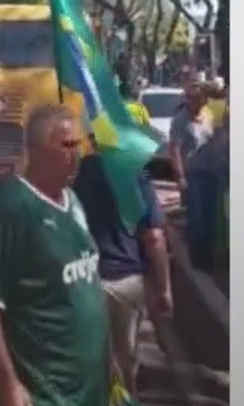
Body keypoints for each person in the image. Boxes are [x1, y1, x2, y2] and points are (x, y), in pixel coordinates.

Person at [0, 104, 111, 406]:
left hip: (89, 388)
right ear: (37, 150)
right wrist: (7, 384)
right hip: (46, 392)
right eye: (67, 145)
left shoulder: (73, 200)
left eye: (78, 145)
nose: (76, 154)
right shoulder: (13, 208)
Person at [73, 133, 172, 396]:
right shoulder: (135, 176)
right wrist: (163, 288)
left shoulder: (76, 173)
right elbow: (154, 237)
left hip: (81, 277)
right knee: (125, 361)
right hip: (126, 282)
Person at [169, 82, 216, 270]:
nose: (195, 102)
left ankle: (208, 254)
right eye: (192, 98)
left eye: (199, 98)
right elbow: (175, 149)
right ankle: (198, 259)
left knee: (210, 216)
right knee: (196, 218)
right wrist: (180, 176)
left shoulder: (208, 117)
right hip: (193, 175)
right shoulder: (180, 120)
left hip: (210, 173)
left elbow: (212, 142)